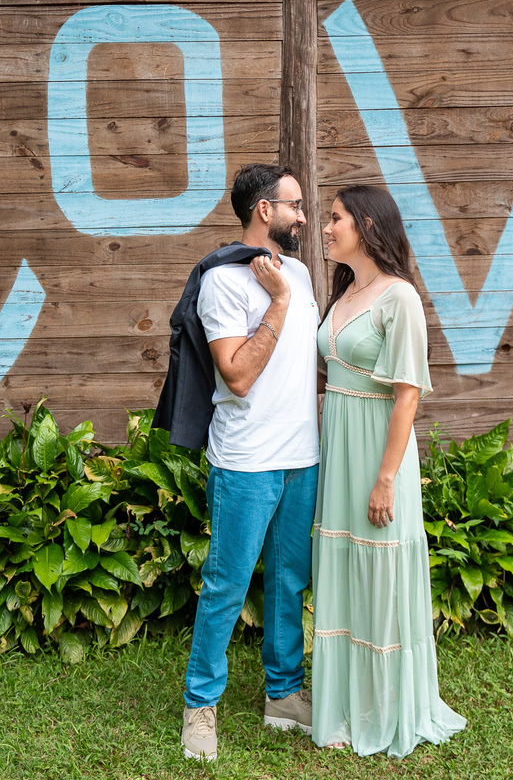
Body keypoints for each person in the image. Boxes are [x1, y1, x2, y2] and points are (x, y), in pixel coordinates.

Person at [311, 185, 467, 757]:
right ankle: (347, 705)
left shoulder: (399, 298)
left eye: (335, 219)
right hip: (340, 447)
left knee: (378, 571)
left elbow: (407, 396)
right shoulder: (346, 291)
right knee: (344, 565)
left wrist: (385, 479)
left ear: (368, 226)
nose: (326, 228)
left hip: (378, 451)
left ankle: (386, 708)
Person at [179, 164, 321, 761]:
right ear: (265, 210)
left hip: (301, 458)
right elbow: (236, 375)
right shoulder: (225, 283)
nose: (304, 217)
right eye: (294, 206)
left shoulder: (303, 273)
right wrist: (280, 302)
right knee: (226, 586)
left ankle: (283, 694)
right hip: (245, 462)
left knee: (289, 583)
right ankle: (200, 707)